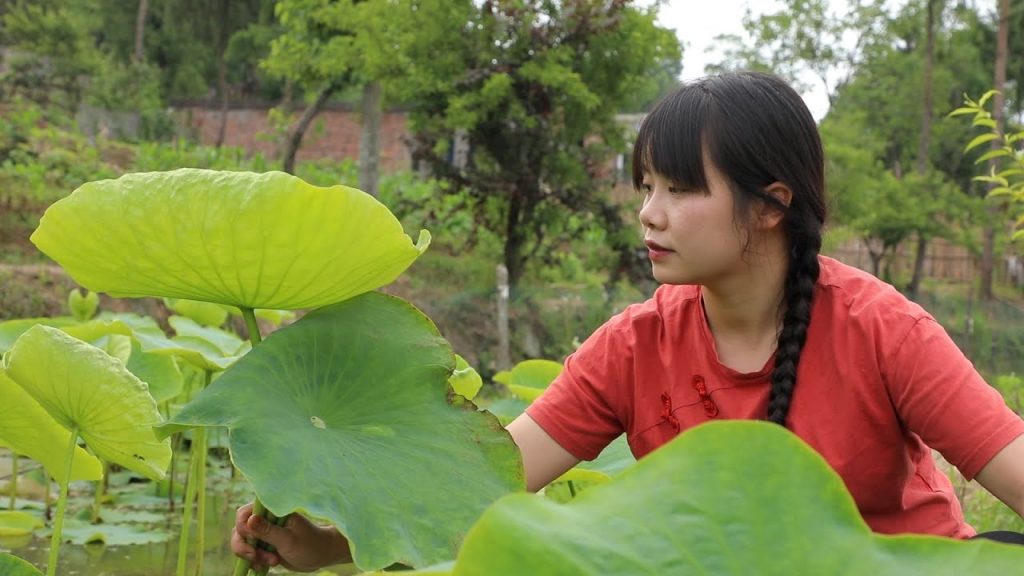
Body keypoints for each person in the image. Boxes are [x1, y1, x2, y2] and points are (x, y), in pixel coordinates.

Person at [232, 71, 1024, 571]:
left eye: (680, 189)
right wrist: (333, 543)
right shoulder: (635, 344)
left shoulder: (881, 329)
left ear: (772, 206)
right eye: (646, 185)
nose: (650, 214)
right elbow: (481, 484)